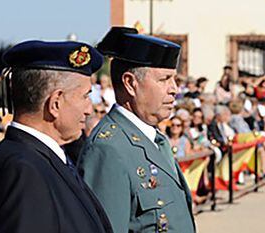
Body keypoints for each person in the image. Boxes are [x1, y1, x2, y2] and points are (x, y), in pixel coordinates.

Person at [0, 40, 113, 233]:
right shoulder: (23, 169)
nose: (89, 109)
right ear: (55, 103)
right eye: (85, 96)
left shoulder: (41, 158)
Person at [78, 27, 196, 233]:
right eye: (164, 79)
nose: (174, 89)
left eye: (174, 79)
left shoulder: (153, 138)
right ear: (130, 84)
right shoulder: (109, 149)